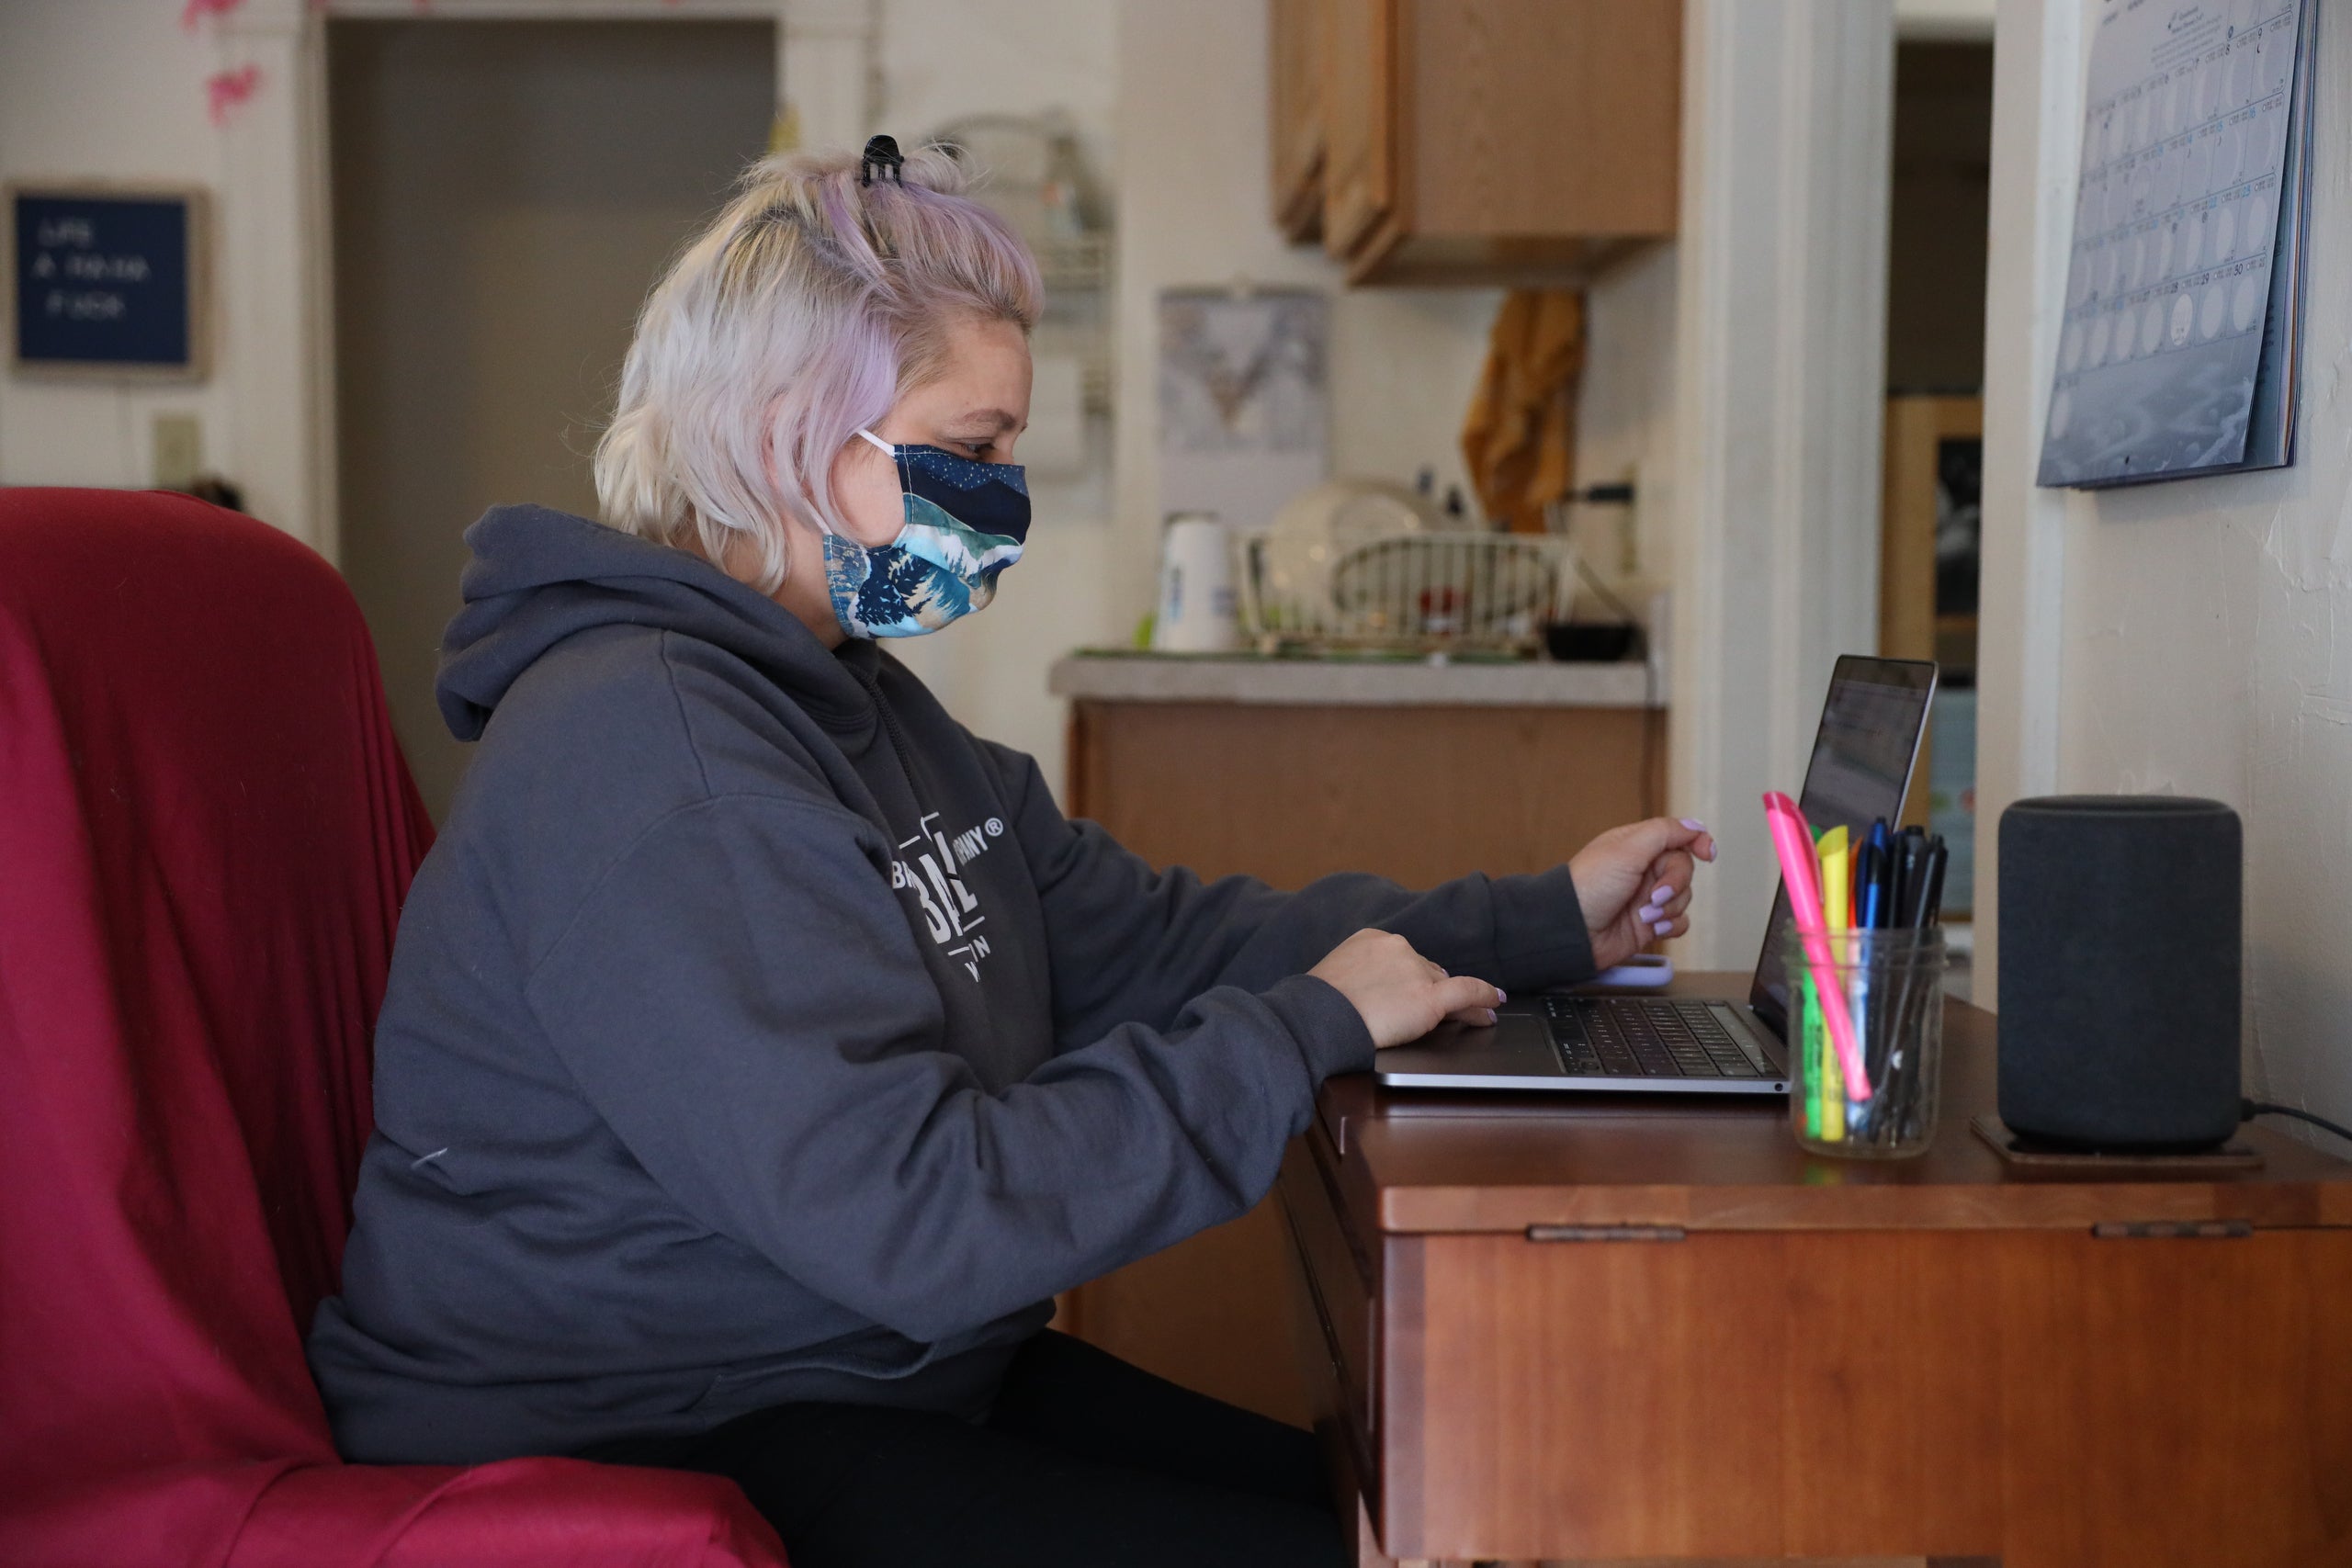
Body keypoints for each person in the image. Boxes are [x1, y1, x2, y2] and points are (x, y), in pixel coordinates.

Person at [306, 139, 1716, 1568]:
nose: (1005, 499)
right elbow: (921, 1216)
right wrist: (1305, 1030)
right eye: (974, 450)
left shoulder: (849, 697)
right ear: (794, 431)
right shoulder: (659, 757)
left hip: (856, 1364)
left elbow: (1153, 942)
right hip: (647, 1426)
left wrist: (1539, 920)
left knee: (1433, 1510)